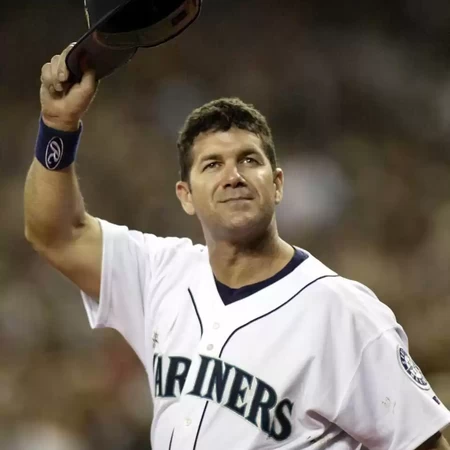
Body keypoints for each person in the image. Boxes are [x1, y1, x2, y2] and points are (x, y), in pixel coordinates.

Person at [24, 44, 450, 450]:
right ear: (186, 195)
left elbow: (424, 443)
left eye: (249, 160)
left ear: (277, 184)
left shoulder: (342, 312)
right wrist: (57, 126)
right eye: (212, 164)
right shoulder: (159, 272)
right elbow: (57, 234)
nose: (233, 176)